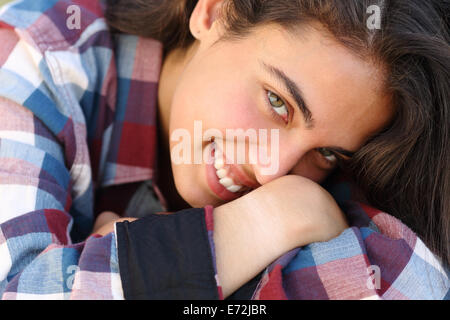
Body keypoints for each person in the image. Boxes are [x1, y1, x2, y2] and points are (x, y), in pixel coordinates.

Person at [0, 0, 448, 299]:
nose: (275, 174)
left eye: (328, 153)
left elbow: (421, 283)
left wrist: (133, 273)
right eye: (278, 102)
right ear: (213, 14)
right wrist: (261, 224)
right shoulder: (35, 59)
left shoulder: (355, 159)